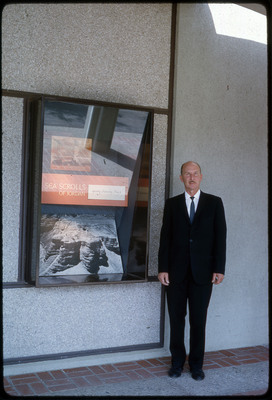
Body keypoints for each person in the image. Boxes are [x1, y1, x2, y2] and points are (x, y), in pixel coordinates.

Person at [158, 161, 227, 381]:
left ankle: (196, 365)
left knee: (198, 320)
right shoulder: (172, 204)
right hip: (176, 274)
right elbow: (165, 238)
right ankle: (177, 363)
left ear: (201, 176)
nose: (191, 177)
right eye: (187, 174)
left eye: (195, 173)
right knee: (176, 320)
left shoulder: (214, 203)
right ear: (181, 178)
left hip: (203, 274)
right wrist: (163, 268)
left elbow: (220, 238)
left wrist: (219, 268)